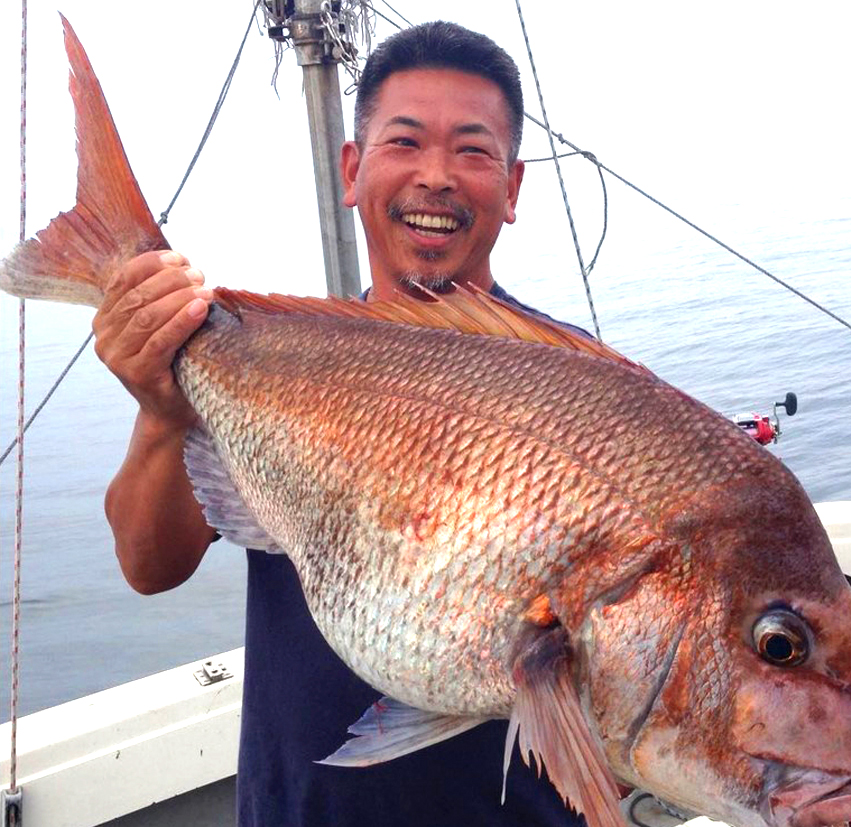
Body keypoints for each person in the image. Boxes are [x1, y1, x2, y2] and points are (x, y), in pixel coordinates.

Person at [96, 21, 586, 827]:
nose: (437, 177)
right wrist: (159, 408)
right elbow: (150, 565)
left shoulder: (576, 389)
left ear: (514, 185)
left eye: (472, 150)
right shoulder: (279, 363)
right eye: (406, 142)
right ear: (353, 170)